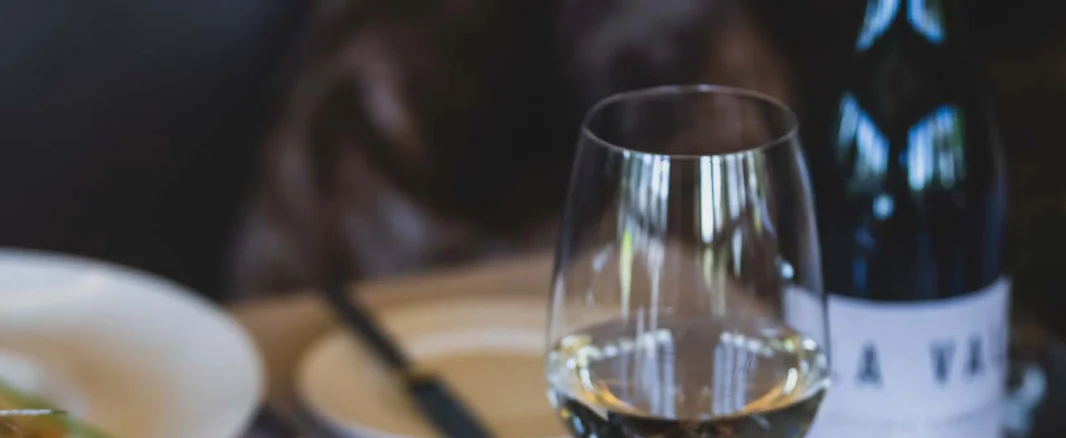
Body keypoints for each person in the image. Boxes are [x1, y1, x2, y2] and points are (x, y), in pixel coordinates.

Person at [228, 0, 793, 295]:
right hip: (373, 362)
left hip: (620, 384)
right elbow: (294, 298)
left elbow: (723, 295)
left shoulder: (709, 63)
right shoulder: (374, 63)